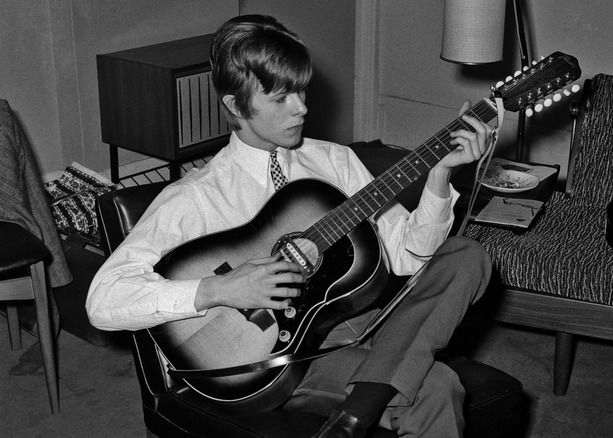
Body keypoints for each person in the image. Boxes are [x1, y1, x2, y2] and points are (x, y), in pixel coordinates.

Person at [87, 14, 494, 438]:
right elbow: (103, 300)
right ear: (234, 105)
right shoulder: (196, 197)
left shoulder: (335, 162)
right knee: (439, 386)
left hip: (380, 320)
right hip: (297, 356)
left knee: (467, 255)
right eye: (281, 97)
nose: (301, 107)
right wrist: (218, 289)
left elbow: (409, 257)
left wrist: (439, 177)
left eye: (302, 90)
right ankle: (359, 411)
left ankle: (354, 415)